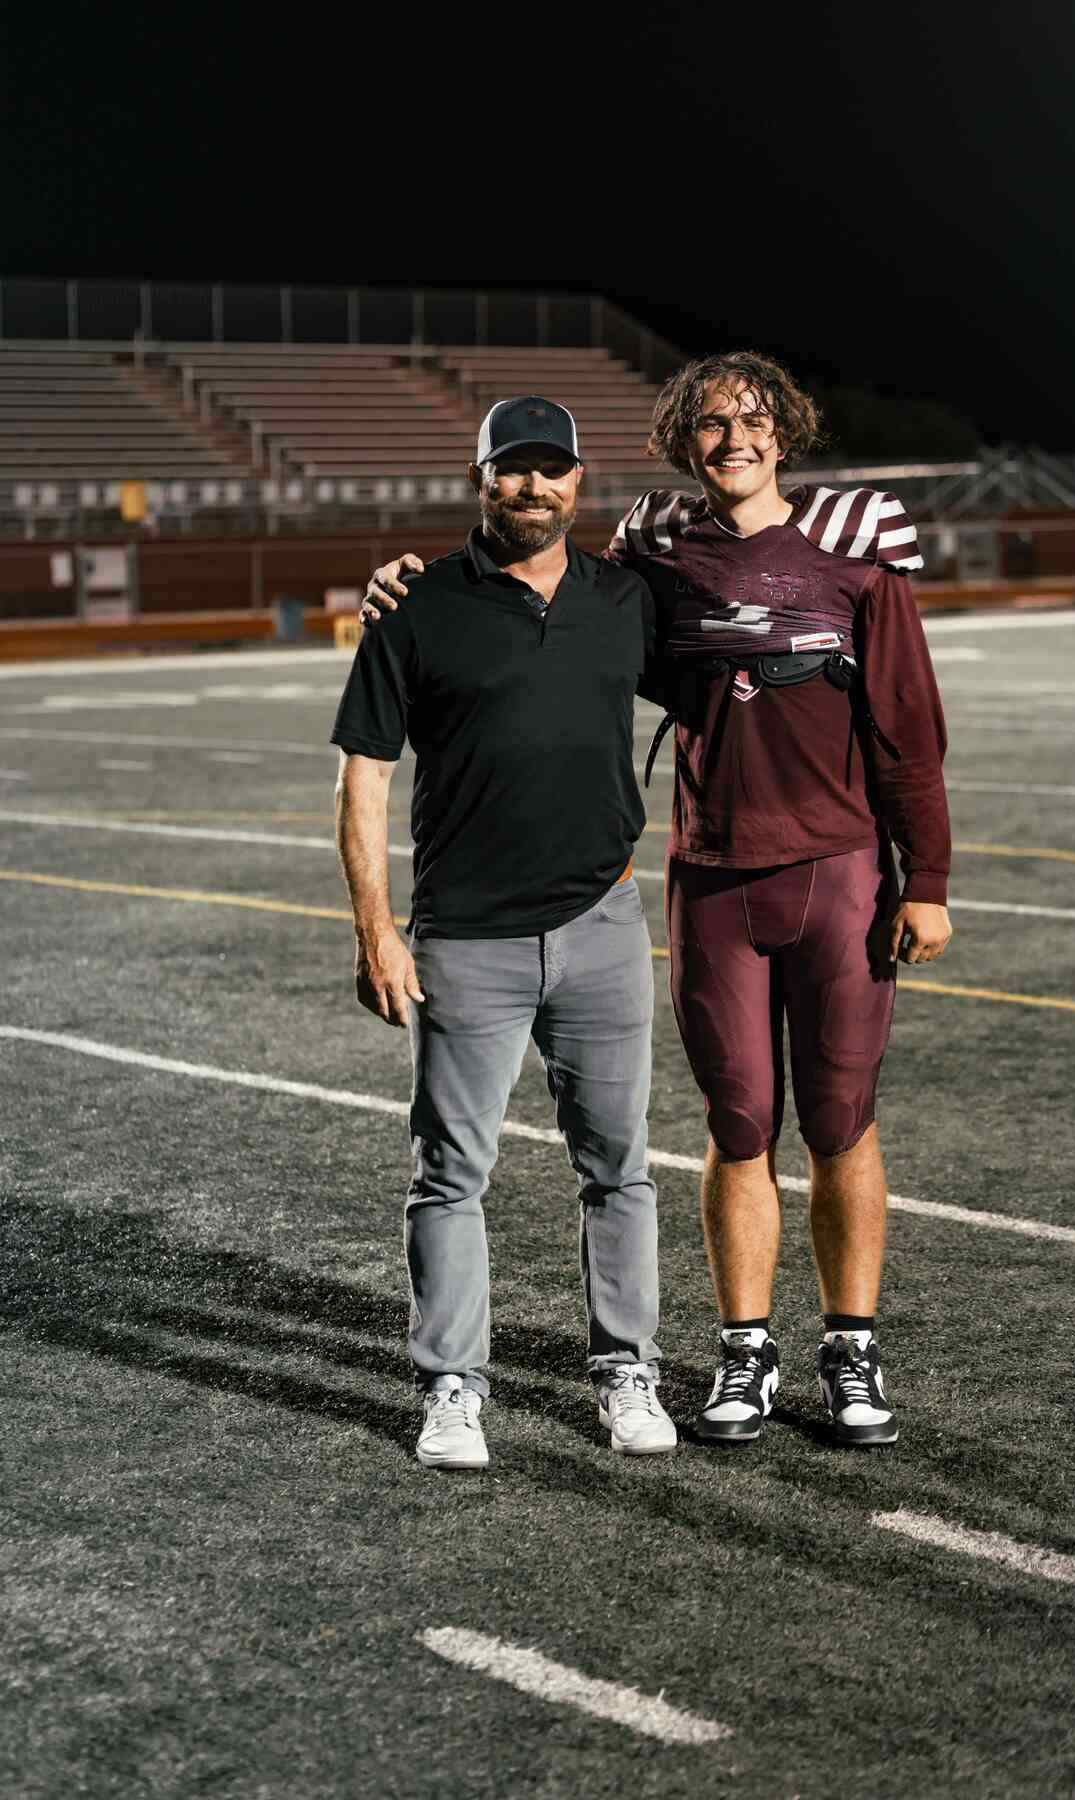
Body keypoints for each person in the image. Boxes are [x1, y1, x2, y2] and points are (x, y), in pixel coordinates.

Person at [361, 351, 952, 1452]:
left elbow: (909, 729)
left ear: (787, 430)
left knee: (839, 1123)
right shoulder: (657, 556)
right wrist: (403, 587)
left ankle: (851, 1347)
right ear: (685, 443)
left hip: (841, 873)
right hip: (713, 877)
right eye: (713, 425)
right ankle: (743, 1353)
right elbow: (553, 629)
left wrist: (933, 881)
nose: (735, 439)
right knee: (737, 1127)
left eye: (754, 420)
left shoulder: (857, 542)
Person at [331, 395, 677, 1470]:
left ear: (582, 481)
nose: (534, 489)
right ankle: (451, 1387)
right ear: (481, 479)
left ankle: (627, 1369)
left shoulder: (627, 598)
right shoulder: (416, 602)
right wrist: (376, 930)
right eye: (512, 471)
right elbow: (364, 776)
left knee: (619, 1167)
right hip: (466, 940)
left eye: (552, 471)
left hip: (603, 922)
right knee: (450, 1175)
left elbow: (729, 689)